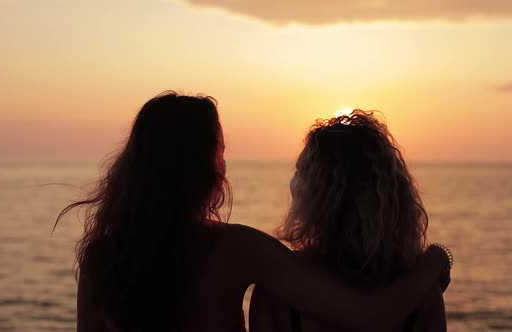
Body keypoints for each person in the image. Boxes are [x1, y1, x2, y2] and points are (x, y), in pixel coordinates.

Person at [55, 92, 452, 332]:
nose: (223, 164)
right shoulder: (236, 249)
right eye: (220, 151)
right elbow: (370, 317)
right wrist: (434, 261)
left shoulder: (101, 258)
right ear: (203, 167)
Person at [249, 111, 450, 332]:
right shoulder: (419, 294)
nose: (292, 183)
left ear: (319, 196)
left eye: (300, 172)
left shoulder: (277, 293)